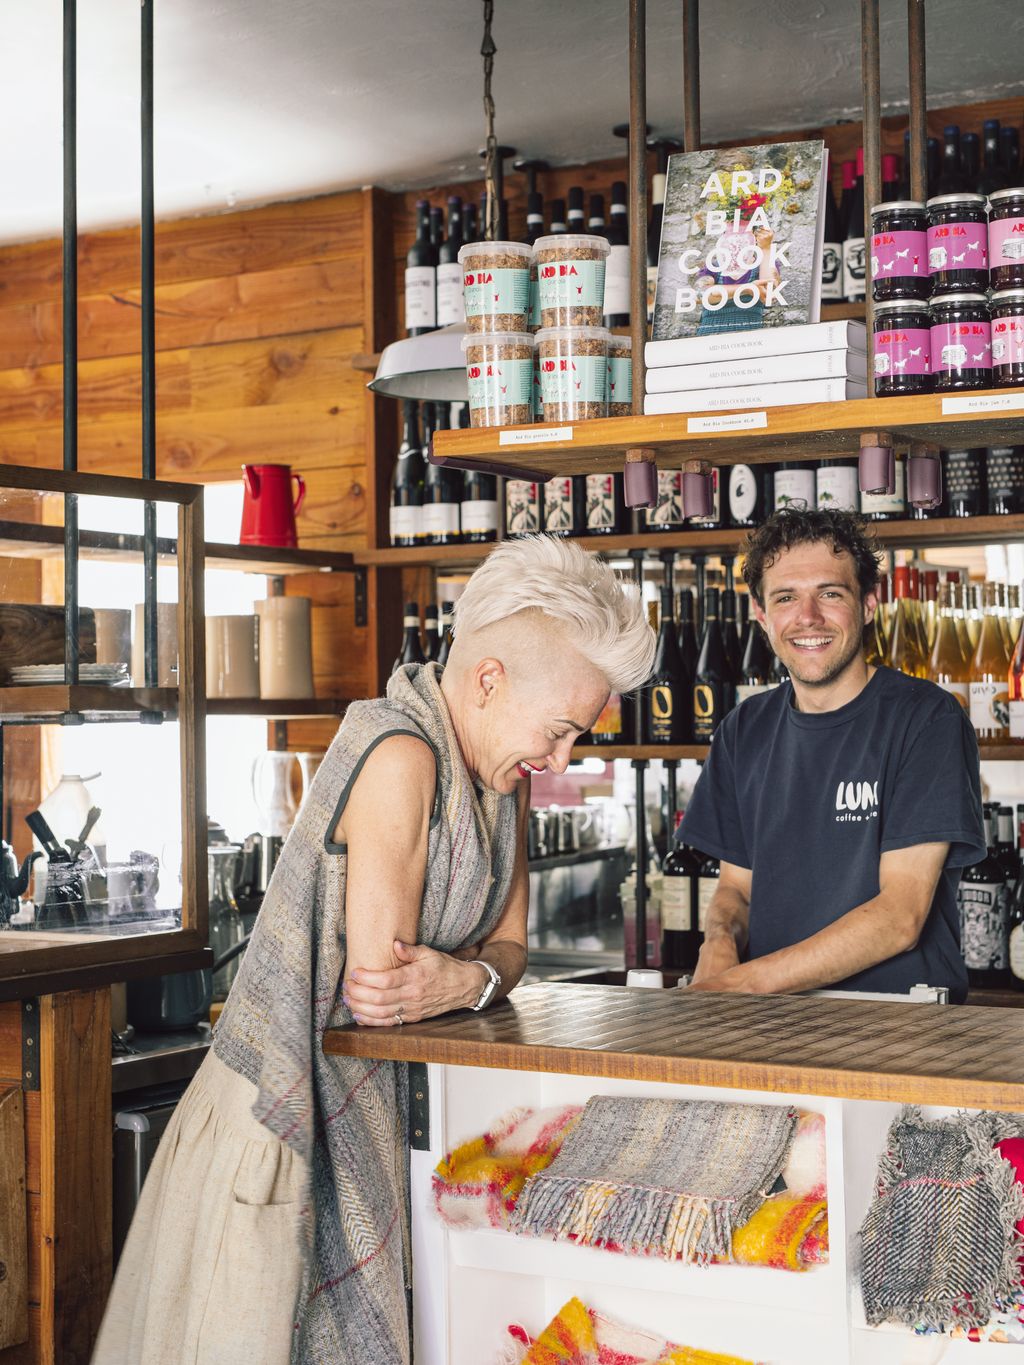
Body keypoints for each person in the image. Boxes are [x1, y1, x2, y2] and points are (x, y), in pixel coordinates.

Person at [92, 535, 654, 1365]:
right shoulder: (400, 755)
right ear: (489, 680)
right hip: (275, 1126)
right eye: (561, 730)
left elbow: (511, 948)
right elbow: (382, 992)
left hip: (371, 1117)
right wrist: (474, 976)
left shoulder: (504, 777)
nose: (562, 757)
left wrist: (465, 978)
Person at [681, 507, 985, 1003]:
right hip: (770, 1017)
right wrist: (719, 940)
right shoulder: (743, 728)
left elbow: (901, 916)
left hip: (900, 1019)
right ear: (762, 615)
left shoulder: (927, 719)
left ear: (868, 605)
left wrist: (740, 984)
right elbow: (737, 888)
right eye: (785, 597)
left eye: (830, 593)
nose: (808, 617)